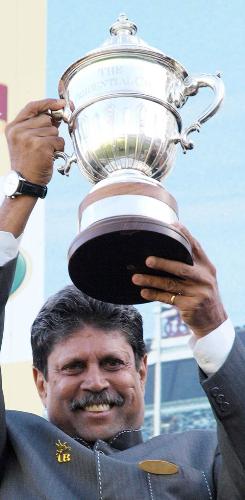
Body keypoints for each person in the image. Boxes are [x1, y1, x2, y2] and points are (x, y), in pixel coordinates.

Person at [0, 99, 244, 499]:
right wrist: (22, 190)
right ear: (41, 382)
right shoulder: (14, 450)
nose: (95, 382)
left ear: (142, 371)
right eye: (74, 366)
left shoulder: (207, 457)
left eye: (113, 362)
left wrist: (213, 326)